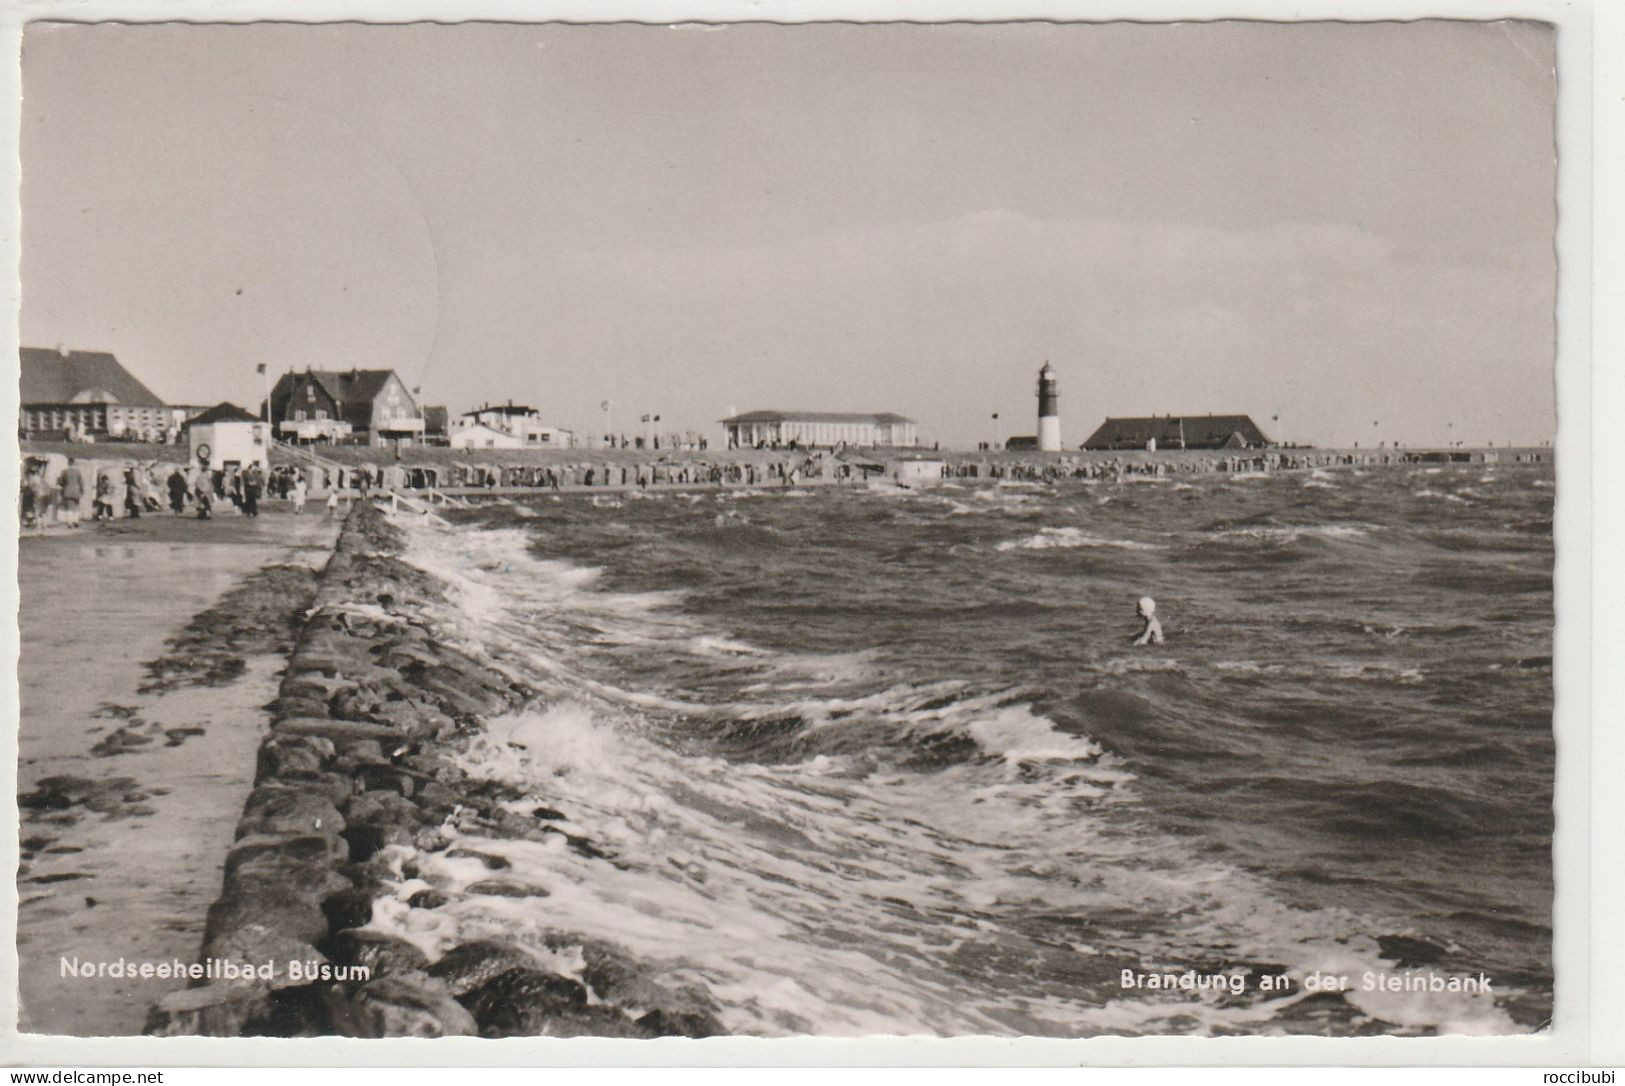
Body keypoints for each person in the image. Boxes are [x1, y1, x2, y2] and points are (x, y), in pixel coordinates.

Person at [57, 457, 84, 528]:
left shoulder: (64, 471)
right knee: (76, 506)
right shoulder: (78, 471)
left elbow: (62, 482)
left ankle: (70, 523)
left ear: (68, 463)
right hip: (76, 491)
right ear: (74, 463)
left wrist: (60, 483)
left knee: (69, 507)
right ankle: (76, 521)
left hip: (68, 490)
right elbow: (81, 482)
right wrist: (82, 490)